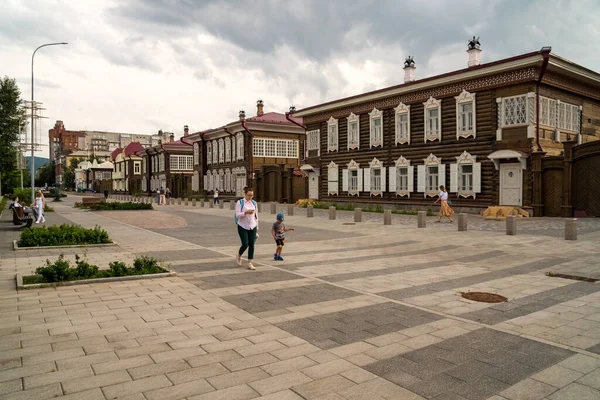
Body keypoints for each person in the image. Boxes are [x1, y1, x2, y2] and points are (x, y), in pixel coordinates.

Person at [235, 187, 258, 270]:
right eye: (249, 195)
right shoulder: (240, 202)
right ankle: (239, 255)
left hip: (253, 226)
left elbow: (256, 216)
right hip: (242, 226)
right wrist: (245, 212)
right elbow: (237, 215)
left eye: (252, 195)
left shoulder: (254, 203)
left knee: (252, 244)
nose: (250, 197)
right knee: (245, 244)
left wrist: (257, 228)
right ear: (244, 194)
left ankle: (250, 263)